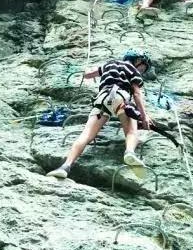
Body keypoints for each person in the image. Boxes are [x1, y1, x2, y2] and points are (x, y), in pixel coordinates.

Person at [47, 50, 153, 178]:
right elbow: (136, 93)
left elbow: (87, 75)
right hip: (121, 98)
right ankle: (129, 152)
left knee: (86, 135)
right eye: (143, 67)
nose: (142, 70)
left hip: (101, 100)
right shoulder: (133, 70)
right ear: (138, 60)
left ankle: (65, 166)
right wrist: (144, 116)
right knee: (131, 132)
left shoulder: (109, 64)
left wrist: (86, 70)